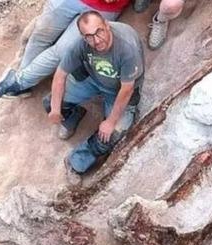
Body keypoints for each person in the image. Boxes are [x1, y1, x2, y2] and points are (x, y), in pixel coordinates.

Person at [43, 11, 144, 179]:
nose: (96, 40)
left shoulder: (126, 48)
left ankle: (76, 163)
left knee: (109, 136)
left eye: (99, 32)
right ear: (83, 37)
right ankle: (74, 115)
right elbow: (60, 75)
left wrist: (111, 121)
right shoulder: (82, 45)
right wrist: (55, 109)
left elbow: (126, 90)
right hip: (93, 79)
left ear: (107, 25)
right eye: (89, 36)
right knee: (51, 102)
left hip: (119, 90)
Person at [0, 0, 131, 99]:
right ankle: (24, 82)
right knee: (41, 33)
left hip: (104, 7)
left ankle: (20, 82)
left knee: (63, 51)